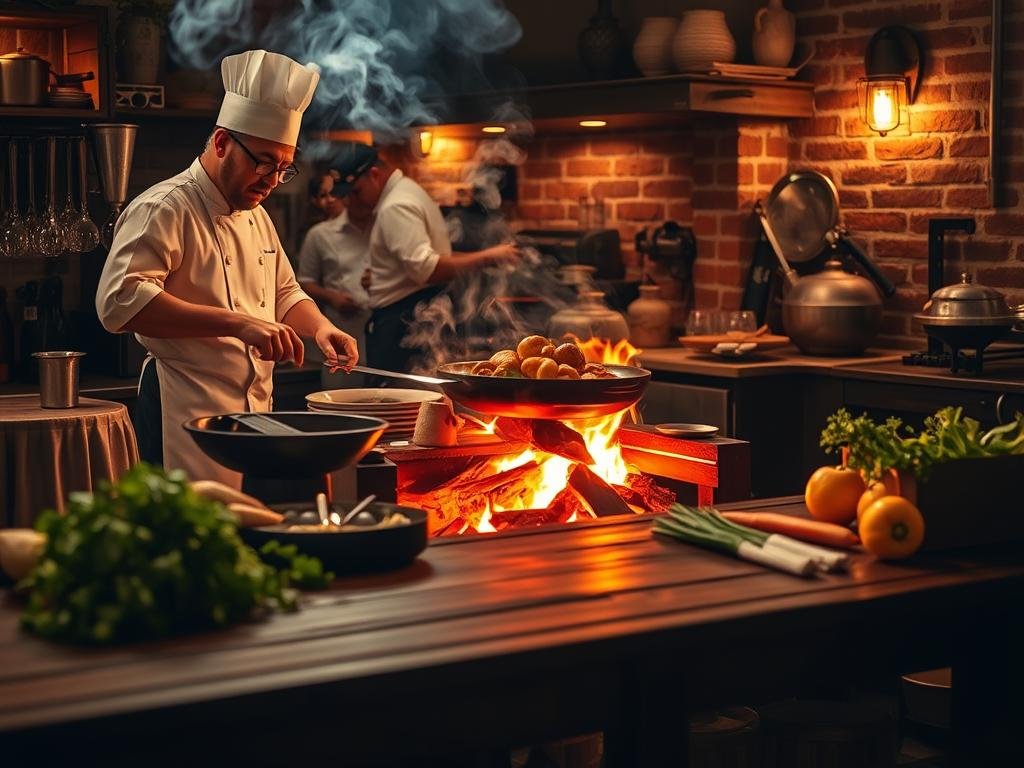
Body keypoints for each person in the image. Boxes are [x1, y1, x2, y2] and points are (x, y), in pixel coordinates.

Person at [96, 50, 358, 488]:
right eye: (264, 162)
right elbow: (119, 303)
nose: (272, 179)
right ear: (221, 143)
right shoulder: (164, 207)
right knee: (195, 540)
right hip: (184, 412)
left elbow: (285, 293)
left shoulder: (255, 212)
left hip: (254, 415)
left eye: (283, 168)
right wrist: (241, 325)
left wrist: (320, 328)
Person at [327, 142, 520, 374]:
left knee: (396, 402)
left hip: (403, 327)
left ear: (374, 175)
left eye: (355, 192)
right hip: (411, 320)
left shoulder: (396, 207)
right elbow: (430, 259)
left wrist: (488, 256)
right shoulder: (405, 192)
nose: (351, 202)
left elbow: (428, 269)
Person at [296, 171, 372, 388]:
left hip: (375, 321)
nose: (329, 199)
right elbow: (304, 282)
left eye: (333, 193)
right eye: (322, 195)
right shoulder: (318, 235)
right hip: (341, 322)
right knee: (342, 395)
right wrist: (333, 297)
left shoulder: (376, 225)